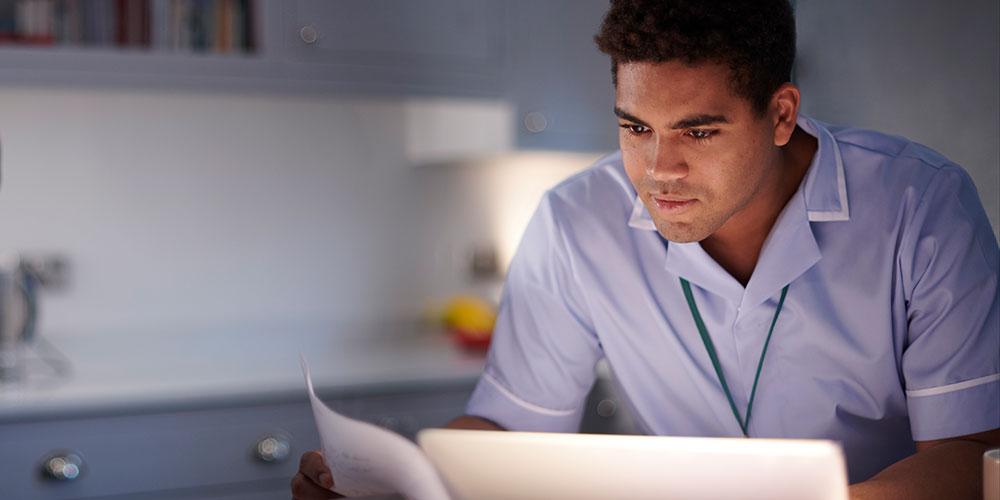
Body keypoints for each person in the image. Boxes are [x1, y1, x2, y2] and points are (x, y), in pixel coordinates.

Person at [291, 0, 1000, 498]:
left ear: (780, 114)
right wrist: (396, 484)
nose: (659, 169)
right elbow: (512, 430)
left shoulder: (921, 205)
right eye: (635, 127)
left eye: (698, 132)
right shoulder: (574, 223)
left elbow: (970, 457)